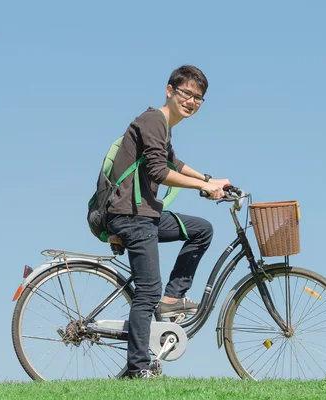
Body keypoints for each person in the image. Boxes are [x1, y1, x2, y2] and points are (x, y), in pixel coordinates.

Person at [105, 65, 229, 378]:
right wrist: (203, 187)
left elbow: (171, 160)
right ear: (169, 90)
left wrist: (209, 179)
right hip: (131, 216)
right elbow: (160, 170)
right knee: (147, 292)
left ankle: (172, 300)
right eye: (186, 93)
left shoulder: (164, 126)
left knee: (201, 229)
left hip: (146, 214)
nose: (192, 101)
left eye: (198, 98)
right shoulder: (152, 120)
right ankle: (137, 368)